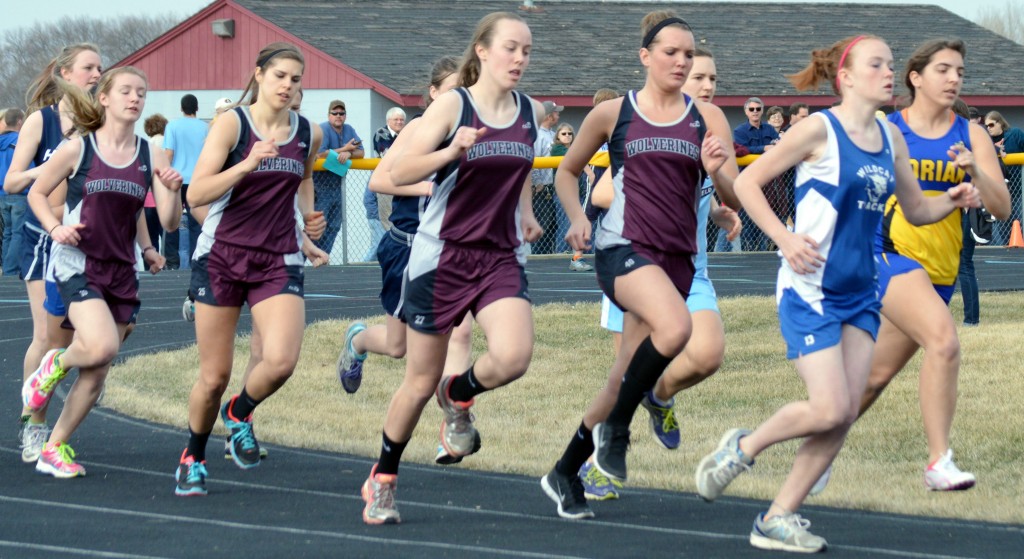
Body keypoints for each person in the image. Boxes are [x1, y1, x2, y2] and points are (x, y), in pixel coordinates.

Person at [693, 35, 980, 553]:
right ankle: (745, 445)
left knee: (845, 412)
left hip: (862, 293)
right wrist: (783, 239)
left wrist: (953, 199)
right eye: (878, 64)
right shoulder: (818, 128)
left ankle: (778, 517)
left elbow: (915, 210)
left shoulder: (889, 139)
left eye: (892, 64)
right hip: (812, 289)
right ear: (846, 76)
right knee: (829, 408)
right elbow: (749, 183)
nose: (890, 73)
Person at [541, 11, 740, 520]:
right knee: (676, 328)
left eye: (689, 54)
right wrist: (575, 219)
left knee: (621, 378)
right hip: (622, 248)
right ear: (645, 56)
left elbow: (732, 193)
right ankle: (620, 430)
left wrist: (718, 176)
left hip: (678, 258)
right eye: (671, 52)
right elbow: (566, 172)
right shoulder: (614, 113)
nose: (681, 61)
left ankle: (565, 470)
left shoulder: (707, 118)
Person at [359, 11, 543, 525]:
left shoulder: (529, 110)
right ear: (482, 51)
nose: (520, 59)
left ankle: (457, 393)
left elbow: (521, 165)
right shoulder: (451, 107)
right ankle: (384, 478)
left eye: (527, 51)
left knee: (513, 357)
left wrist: (526, 211)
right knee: (417, 382)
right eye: (511, 48)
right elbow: (395, 172)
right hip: (443, 254)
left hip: (499, 254)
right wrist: (452, 149)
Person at [853, 39, 1008, 492]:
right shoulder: (890, 128)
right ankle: (939, 461)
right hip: (890, 254)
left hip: (940, 272)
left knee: (873, 378)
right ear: (915, 77)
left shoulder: (971, 134)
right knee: (944, 342)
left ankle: (810, 446)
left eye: (959, 70)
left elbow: (1000, 209)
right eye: (943, 69)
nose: (954, 78)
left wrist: (975, 171)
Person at [174, 42, 325, 497]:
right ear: (259, 75)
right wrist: (247, 163)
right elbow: (196, 194)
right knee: (214, 376)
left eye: (296, 79)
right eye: (280, 75)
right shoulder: (231, 124)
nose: (288, 85)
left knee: (280, 361)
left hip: (277, 257)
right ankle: (193, 454)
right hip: (222, 256)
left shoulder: (309, 133)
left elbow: (303, 179)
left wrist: (307, 225)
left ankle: (239, 412)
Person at [22, 66, 181, 478]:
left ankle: (53, 448)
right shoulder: (78, 149)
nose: (135, 98)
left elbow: (168, 222)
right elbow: (37, 193)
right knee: (102, 345)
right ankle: (51, 368)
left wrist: (167, 207)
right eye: (126, 90)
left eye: (141, 92)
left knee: (98, 367)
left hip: (122, 268)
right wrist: (56, 228)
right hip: (79, 262)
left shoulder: (151, 154)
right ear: (104, 98)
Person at [338, 57, 477, 466]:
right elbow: (381, 179)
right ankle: (359, 339)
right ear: (434, 93)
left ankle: (453, 424)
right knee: (399, 347)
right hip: (407, 246)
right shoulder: (418, 129)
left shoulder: (470, 132)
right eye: (451, 89)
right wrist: (428, 185)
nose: (459, 97)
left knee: (462, 332)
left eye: (465, 90)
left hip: (449, 249)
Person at [4, 44, 101, 464]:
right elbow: (10, 183)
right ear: (65, 73)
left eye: (100, 67)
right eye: (88, 67)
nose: (97, 74)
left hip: (89, 239)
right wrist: (51, 168)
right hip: (41, 235)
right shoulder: (41, 122)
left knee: (107, 331)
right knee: (46, 334)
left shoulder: (99, 121)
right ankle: (33, 424)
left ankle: (82, 361)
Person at [163, 94, 209, 270]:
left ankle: (172, 262)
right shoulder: (205, 128)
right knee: (197, 223)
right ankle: (195, 259)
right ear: (197, 108)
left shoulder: (172, 126)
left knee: (172, 222)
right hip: (197, 180)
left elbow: (169, 154)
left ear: (181, 108)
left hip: (176, 180)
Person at [314, 99, 363, 257]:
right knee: (318, 224)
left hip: (338, 184)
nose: (338, 116)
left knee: (335, 224)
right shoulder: (323, 129)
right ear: (329, 115)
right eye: (334, 113)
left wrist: (349, 153)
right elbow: (320, 154)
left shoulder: (349, 129)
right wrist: (345, 148)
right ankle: (303, 256)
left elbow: (361, 152)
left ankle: (322, 256)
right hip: (319, 184)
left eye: (342, 113)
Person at [550, 122, 594, 271]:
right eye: (563, 134)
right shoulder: (557, 149)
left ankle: (577, 253)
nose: (567, 136)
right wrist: (588, 171)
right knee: (565, 223)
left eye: (569, 133)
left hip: (579, 193)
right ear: (557, 136)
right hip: (563, 194)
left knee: (581, 223)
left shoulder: (575, 148)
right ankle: (561, 253)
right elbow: (574, 158)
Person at [983, 111, 1023, 245]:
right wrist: (995, 149)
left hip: (1017, 185)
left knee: (1020, 217)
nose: (988, 128)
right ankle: (1006, 246)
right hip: (997, 190)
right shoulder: (986, 140)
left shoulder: (1015, 134)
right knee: (1001, 223)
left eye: (991, 125)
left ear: (999, 123)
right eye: (986, 126)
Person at [530, 100, 562, 254]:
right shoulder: (537, 134)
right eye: (556, 113)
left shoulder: (552, 135)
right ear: (549, 116)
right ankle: (538, 256)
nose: (558, 115)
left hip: (554, 187)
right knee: (543, 223)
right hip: (543, 188)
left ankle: (549, 255)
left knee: (553, 225)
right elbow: (532, 160)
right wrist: (538, 183)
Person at [1, 108, 26, 276]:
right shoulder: (21, 142)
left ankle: (6, 266)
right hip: (19, 192)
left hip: (2, 194)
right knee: (19, 232)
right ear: (19, 122)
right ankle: (11, 270)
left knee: (7, 232)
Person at [143, 114, 168, 262]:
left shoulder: (146, 144)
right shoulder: (167, 142)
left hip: (147, 199)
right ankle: (167, 265)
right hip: (164, 199)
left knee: (150, 239)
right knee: (166, 237)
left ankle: (151, 265)